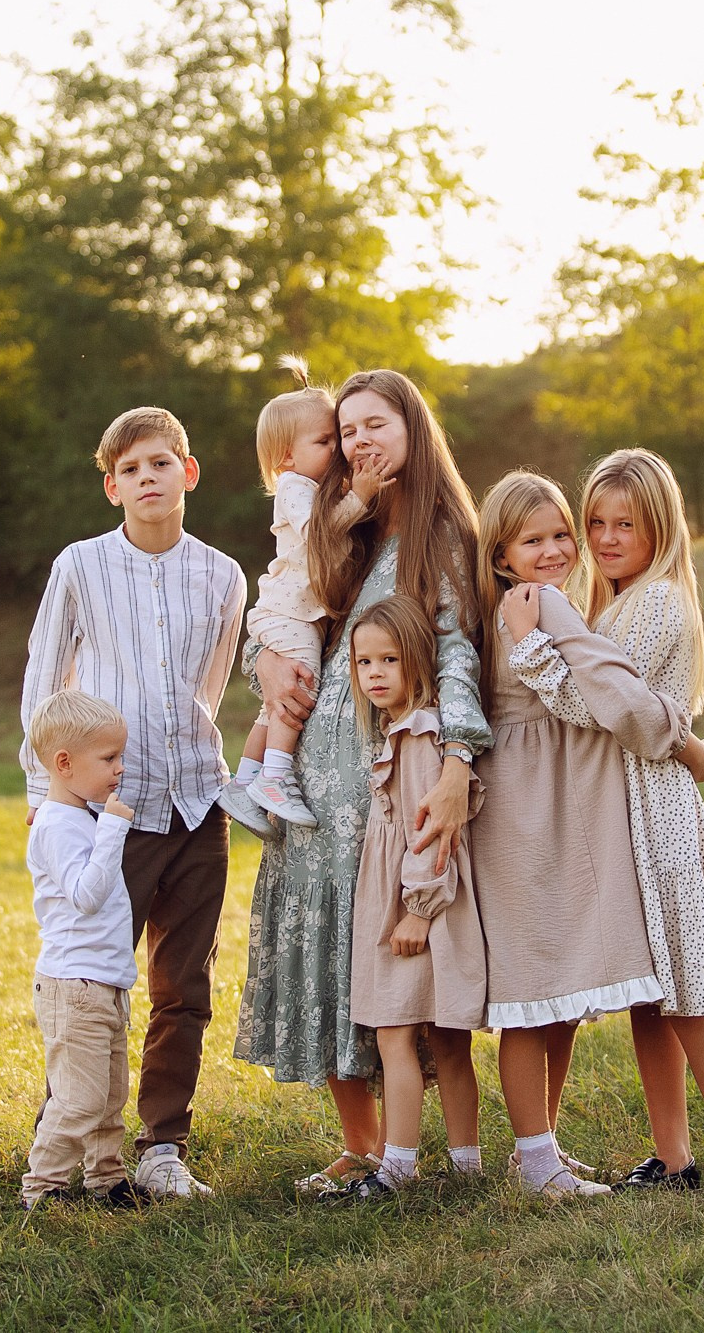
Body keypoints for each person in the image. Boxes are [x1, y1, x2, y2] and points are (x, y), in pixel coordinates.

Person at [233, 369, 490, 1196]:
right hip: (309, 766)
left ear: (413, 426)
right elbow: (285, 617)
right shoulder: (350, 525)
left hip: (381, 779)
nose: (358, 443)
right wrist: (265, 662)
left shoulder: (442, 535)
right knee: (316, 937)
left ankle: (417, 1150)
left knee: (378, 949)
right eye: (346, 432)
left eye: (374, 424)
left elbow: (458, 653)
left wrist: (457, 764)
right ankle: (360, 1141)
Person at [502, 448, 704, 1196]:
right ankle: (674, 1155)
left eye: (627, 523)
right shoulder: (612, 602)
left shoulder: (653, 603)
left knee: (692, 996)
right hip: (625, 815)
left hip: (659, 816)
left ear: (660, 527)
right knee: (653, 998)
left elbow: (606, 711)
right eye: (597, 522)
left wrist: (535, 654)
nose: (608, 537)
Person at [16, 406, 247, 1201]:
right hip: (110, 815)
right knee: (94, 980)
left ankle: (162, 1145)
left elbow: (211, 687)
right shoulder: (80, 566)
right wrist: (40, 789)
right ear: (111, 484)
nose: (148, 478)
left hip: (195, 804)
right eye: (131, 468)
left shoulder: (223, 574)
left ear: (188, 472)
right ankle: (71, 1135)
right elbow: (45, 683)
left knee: (184, 985)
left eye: (162, 463)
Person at [324, 593, 488, 1202]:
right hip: (414, 902)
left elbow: (431, 836)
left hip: (417, 906)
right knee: (445, 1037)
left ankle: (397, 1166)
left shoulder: (421, 735)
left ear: (417, 660)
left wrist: (417, 912)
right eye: (364, 663)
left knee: (398, 1035)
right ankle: (465, 1163)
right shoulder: (402, 730)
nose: (374, 674)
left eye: (388, 660)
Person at [219, 362, 398, 836]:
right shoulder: (294, 490)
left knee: (270, 708)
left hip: (299, 613)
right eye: (325, 442)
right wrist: (359, 496)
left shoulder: (318, 488)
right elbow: (323, 534)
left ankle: (245, 781)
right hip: (286, 610)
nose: (337, 450)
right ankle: (276, 776)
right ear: (285, 458)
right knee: (302, 687)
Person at [20, 689, 144, 1210]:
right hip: (74, 988)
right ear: (64, 764)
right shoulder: (55, 825)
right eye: (109, 759)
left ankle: (106, 1178)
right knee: (80, 1099)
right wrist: (116, 827)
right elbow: (85, 897)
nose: (119, 770)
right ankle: (41, 1188)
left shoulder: (80, 817)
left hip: (104, 983)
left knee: (111, 1096)